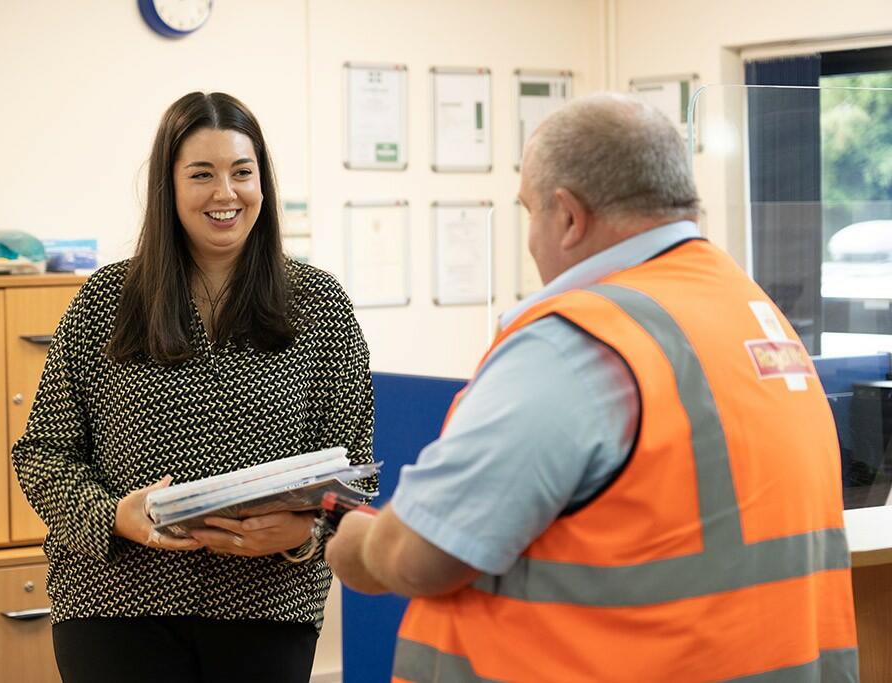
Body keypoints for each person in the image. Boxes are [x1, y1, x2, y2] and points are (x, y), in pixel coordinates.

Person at [326, 93, 859, 682]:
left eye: (530, 212)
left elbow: (419, 556)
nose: (530, 242)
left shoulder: (577, 344)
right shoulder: (753, 313)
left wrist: (354, 542)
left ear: (569, 216)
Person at [12, 91, 375, 683]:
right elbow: (43, 456)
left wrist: (304, 532)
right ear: (169, 187)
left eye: (241, 172)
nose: (225, 193)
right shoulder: (107, 301)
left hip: (267, 606)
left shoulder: (319, 305)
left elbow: (355, 474)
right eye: (201, 174)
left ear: (263, 183)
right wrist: (114, 517)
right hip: (116, 603)